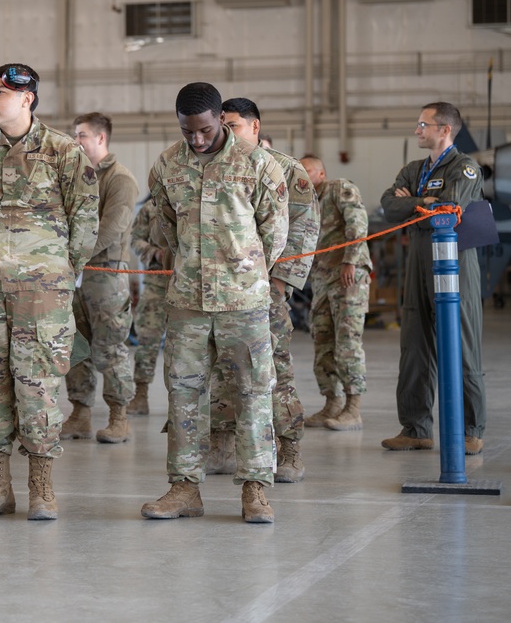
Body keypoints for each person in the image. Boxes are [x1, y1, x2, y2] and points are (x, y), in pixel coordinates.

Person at [0, 63, 99, 520]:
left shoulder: (63, 152)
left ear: (28, 98)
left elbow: (85, 219)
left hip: (43, 292)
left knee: (39, 384)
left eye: (0, 93)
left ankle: (41, 488)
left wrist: (59, 270)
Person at [142, 82, 287, 524]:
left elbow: (275, 233)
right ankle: (185, 488)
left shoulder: (258, 164)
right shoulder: (168, 164)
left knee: (254, 393)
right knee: (184, 393)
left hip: (243, 301)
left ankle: (256, 490)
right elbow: (163, 226)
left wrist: (240, 269)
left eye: (204, 130)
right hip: (187, 299)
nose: (197, 140)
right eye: (189, 132)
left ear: (220, 119)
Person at [205, 97, 319, 483]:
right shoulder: (212, 166)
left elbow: (303, 228)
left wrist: (281, 280)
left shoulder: (287, 170)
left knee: (272, 367)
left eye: (233, 125)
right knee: (221, 367)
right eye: (223, 125)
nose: (226, 133)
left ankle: (289, 448)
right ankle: (221, 445)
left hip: (264, 288)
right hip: (218, 289)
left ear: (254, 127)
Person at [379, 102, 486, 454]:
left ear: (445, 130)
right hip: (418, 266)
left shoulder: (465, 168)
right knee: (413, 346)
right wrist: (425, 201)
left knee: (462, 345)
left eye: (423, 125)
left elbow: (449, 211)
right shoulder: (413, 169)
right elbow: (388, 205)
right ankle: (415, 428)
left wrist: (416, 203)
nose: (417, 130)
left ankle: (471, 430)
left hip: (455, 266)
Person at [62, 112, 138, 443]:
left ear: (101, 138)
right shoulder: (77, 177)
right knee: (76, 347)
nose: (76, 141)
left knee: (110, 348)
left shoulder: (120, 180)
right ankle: (80, 414)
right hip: (74, 275)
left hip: (105, 275)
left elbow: (111, 228)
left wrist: (73, 255)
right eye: (75, 135)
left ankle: (119, 417)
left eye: (81, 135)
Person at [299, 155, 372, 434]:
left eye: (307, 172)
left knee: (347, 340)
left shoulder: (338, 188)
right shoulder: (306, 203)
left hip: (348, 275)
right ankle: (332, 402)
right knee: (323, 339)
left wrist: (351, 260)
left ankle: (353, 408)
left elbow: (357, 222)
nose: (302, 178)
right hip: (322, 279)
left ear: (321, 173)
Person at [129, 197, 172, 416]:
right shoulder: (151, 207)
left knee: (187, 346)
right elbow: (135, 240)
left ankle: (183, 401)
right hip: (157, 281)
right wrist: (155, 252)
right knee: (147, 339)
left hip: (190, 282)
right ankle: (140, 395)